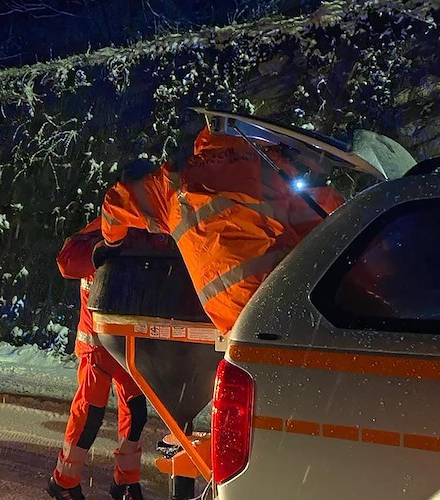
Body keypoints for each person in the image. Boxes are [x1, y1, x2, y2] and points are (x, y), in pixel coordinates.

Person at [99, 125, 344, 335]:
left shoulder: (171, 185)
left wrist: (112, 243)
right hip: (283, 294)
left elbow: (113, 205)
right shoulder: (270, 172)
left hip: (232, 310)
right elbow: (322, 218)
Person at [47, 216, 147, 500]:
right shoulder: (105, 226)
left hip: (128, 348)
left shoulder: (151, 230)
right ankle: (63, 482)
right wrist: (99, 249)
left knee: (137, 414)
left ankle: (126, 482)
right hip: (97, 348)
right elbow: (68, 262)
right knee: (90, 416)